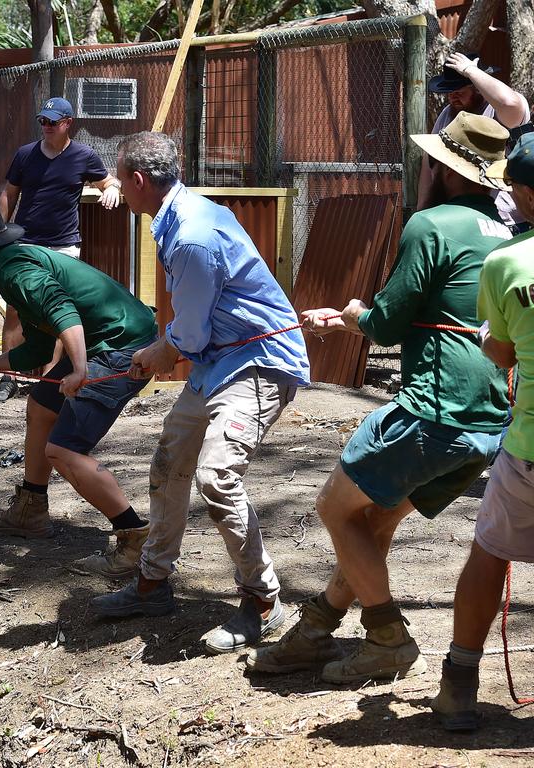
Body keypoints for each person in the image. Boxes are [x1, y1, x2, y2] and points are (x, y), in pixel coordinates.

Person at [247, 113, 512, 684]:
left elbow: (389, 325)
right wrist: (349, 324)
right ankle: (315, 631)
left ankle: (388, 638)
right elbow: (448, 315)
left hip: (435, 409)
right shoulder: (505, 232)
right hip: (488, 419)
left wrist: (355, 314)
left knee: (334, 509)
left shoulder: (431, 223)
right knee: (374, 521)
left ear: (443, 166)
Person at [90, 132, 310, 655]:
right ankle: (152, 585)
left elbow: (188, 336)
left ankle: (262, 601)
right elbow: (193, 332)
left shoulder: (191, 233)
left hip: (260, 363)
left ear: (139, 182)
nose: (119, 187)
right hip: (219, 363)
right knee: (170, 463)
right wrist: (166, 347)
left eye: (121, 178)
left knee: (216, 476)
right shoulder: (177, 218)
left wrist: (159, 350)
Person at [0, 201, 158, 577]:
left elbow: (63, 312)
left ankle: (134, 537)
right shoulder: (12, 264)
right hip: (106, 339)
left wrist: (78, 370)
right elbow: (41, 347)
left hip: (121, 346)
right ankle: (31, 510)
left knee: (63, 450)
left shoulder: (15, 271)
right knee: (42, 406)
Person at [429, 133, 534, 731]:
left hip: (526, 455)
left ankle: (460, 684)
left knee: (490, 553)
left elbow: (499, 351)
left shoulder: (507, 263)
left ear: (521, 193)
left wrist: (494, 339)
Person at [0, 97, 123, 404]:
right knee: (15, 312)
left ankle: (48, 379)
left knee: (58, 313)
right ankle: (7, 378)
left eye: (53, 122)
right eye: (43, 122)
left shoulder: (83, 155)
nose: (47, 127)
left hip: (64, 247)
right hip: (25, 244)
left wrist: (113, 188)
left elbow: (106, 180)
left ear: (67, 124)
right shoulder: (25, 155)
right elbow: (9, 195)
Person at [418, 52, 529, 229]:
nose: (453, 97)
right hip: (462, 217)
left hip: (507, 222)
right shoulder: (448, 114)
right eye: (450, 92)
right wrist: (422, 210)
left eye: (460, 91)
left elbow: (510, 104)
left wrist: (471, 71)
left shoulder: (496, 111)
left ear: (477, 87)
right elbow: (430, 162)